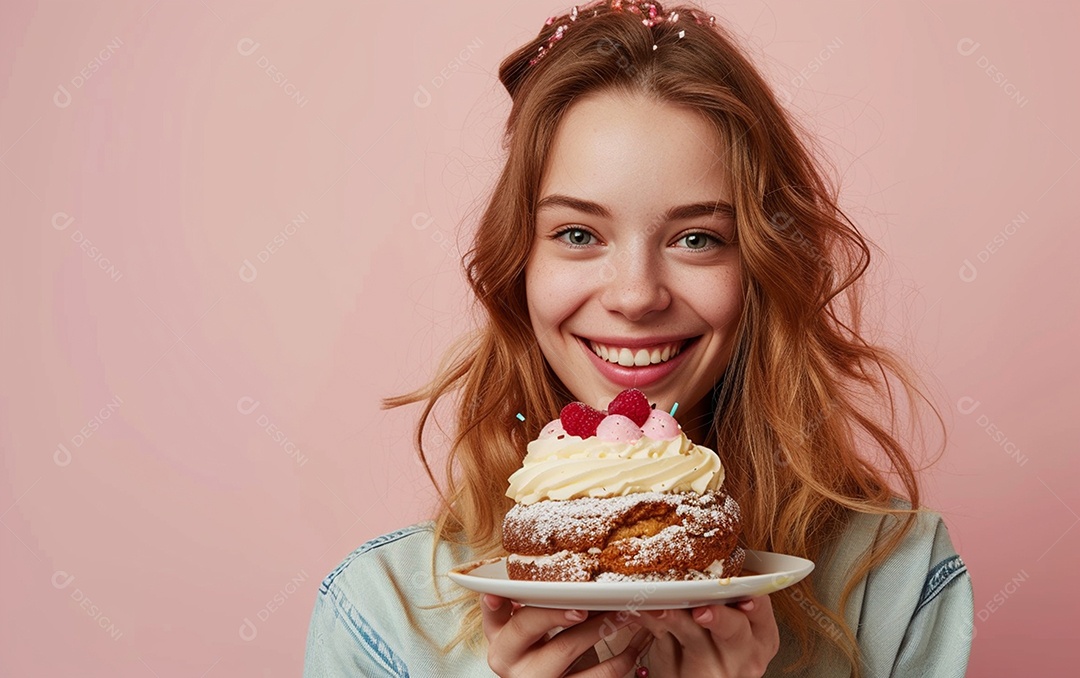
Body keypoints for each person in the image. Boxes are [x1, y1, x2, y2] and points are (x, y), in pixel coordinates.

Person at [303, 1, 974, 676]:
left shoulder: (896, 583)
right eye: (577, 234)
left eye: (697, 238)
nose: (635, 295)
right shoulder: (382, 619)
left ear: (763, 268)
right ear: (518, 266)